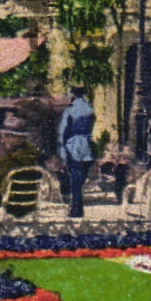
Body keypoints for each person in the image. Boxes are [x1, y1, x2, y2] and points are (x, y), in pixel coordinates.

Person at [56, 86, 97, 218]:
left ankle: (76, 209)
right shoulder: (89, 109)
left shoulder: (70, 110)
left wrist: (62, 153)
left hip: (73, 146)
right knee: (80, 178)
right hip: (87, 146)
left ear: (73, 94)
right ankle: (78, 207)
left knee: (75, 179)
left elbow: (62, 131)